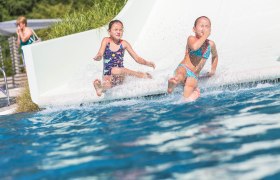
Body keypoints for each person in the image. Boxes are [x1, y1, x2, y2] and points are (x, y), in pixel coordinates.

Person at [93, 20, 156, 96]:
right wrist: (98, 56)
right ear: (109, 31)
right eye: (116, 30)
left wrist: (148, 63)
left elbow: (137, 58)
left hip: (120, 75)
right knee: (107, 84)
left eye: (120, 30)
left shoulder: (124, 44)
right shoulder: (106, 41)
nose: (118, 32)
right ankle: (100, 88)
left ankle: (142, 75)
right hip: (107, 75)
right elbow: (100, 53)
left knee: (115, 70)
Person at [167, 16, 218, 101]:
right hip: (184, 67)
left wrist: (213, 70)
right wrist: (205, 36)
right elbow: (195, 47)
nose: (204, 28)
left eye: (207, 26)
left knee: (190, 84)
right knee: (181, 74)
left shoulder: (211, 44)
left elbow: (215, 56)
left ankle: (185, 99)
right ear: (194, 29)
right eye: (201, 26)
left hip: (194, 74)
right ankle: (173, 83)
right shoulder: (191, 39)